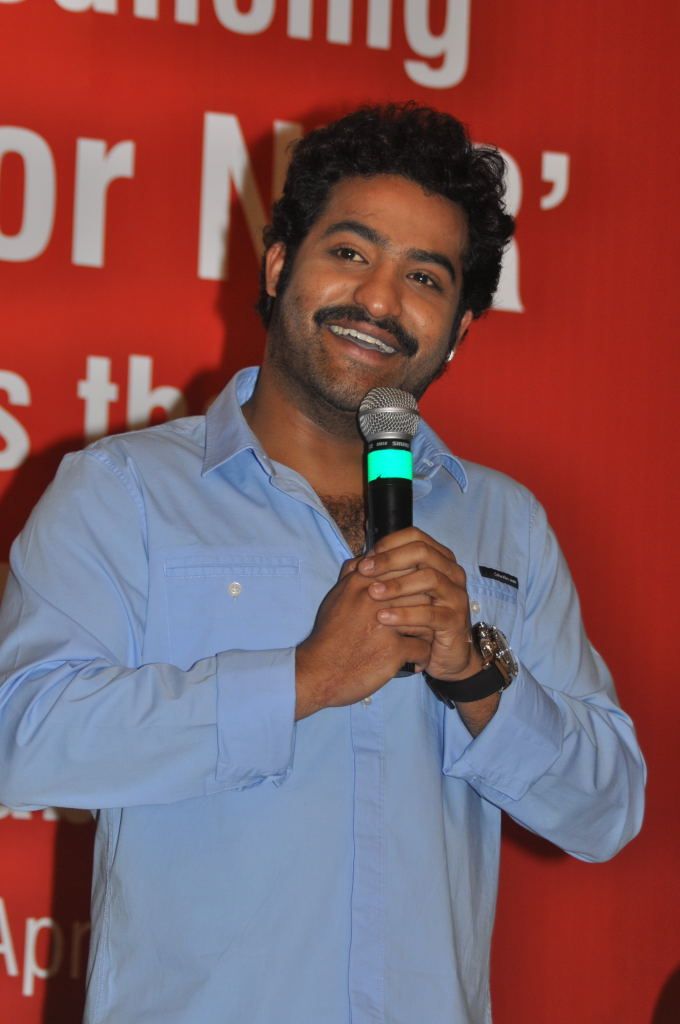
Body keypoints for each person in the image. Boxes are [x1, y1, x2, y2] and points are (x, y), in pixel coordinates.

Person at [0, 104, 644, 1024]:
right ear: (278, 266)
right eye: (350, 252)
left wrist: (475, 672)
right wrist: (302, 681)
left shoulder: (507, 522)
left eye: (424, 277)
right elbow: (21, 739)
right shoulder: (123, 491)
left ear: (459, 329)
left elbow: (607, 810)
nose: (379, 301)